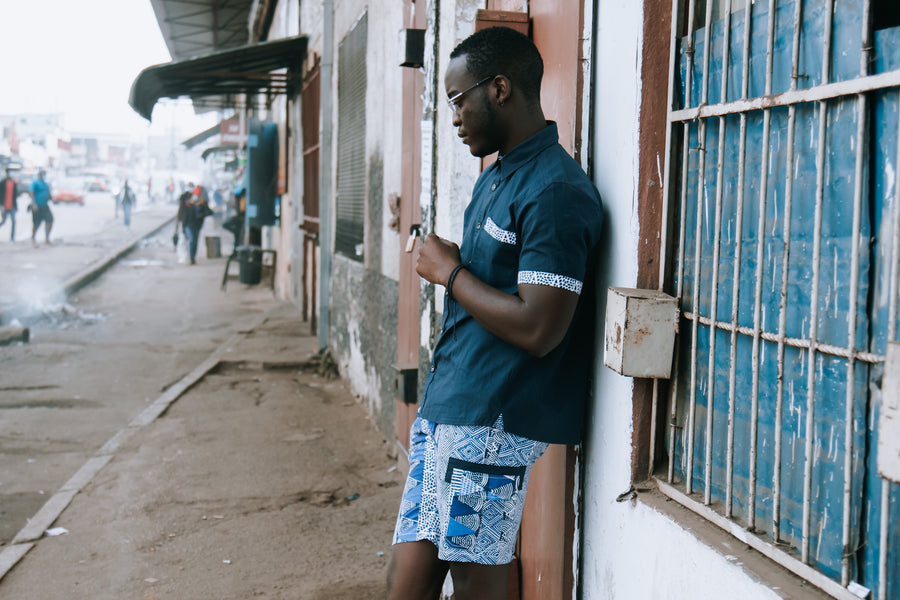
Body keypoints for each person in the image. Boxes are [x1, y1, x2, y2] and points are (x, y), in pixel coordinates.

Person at [387, 27, 604, 600]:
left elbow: (539, 327)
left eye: (459, 99)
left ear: (501, 88)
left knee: (479, 587)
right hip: (449, 408)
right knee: (405, 584)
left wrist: (449, 274)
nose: (453, 116)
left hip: (492, 422)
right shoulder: (498, 175)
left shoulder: (555, 191)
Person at [181, 185, 213, 264]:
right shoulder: (188, 203)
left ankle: (193, 257)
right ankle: (191, 258)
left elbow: (210, 212)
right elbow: (184, 216)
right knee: (191, 239)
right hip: (188, 224)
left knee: (195, 241)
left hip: (197, 225)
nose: (196, 197)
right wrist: (183, 228)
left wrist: (202, 215)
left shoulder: (202, 203)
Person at [29, 169, 53, 246]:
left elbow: (48, 194)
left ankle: (47, 238)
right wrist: (34, 204)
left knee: (50, 220)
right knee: (36, 223)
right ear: (39, 175)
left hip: (45, 206)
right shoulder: (35, 183)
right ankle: (33, 238)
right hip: (37, 206)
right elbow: (31, 192)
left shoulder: (46, 184)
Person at [0, 168, 18, 242]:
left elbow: (15, 195)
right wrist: (1, 206)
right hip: (5, 205)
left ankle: (12, 238)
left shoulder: (13, 183)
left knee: (13, 221)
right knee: (3, 221)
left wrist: (16, 206)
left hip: (12, 205)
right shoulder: (2, 183)